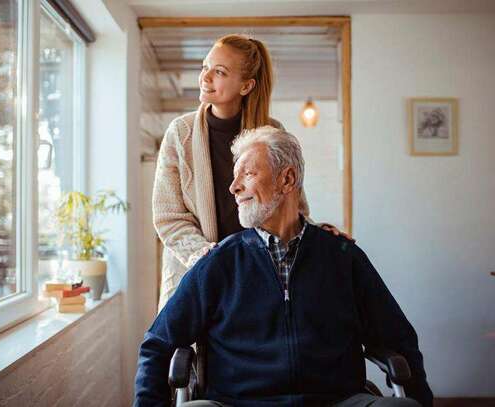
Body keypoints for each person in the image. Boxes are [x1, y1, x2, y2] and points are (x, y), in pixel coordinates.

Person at [136, 126, 433, 407]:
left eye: (248, 174)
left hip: (337, 401)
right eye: (235, 176)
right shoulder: (220, 262)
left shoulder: (343, 257)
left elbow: (399, 338)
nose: (234, 187)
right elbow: (158, 343)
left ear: (287, 180)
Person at [153, 34, 348, 310]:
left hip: (259, 282)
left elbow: (293, 208)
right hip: (198, 279)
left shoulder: (274, 133)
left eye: (219, 72)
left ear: (246, 85)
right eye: (204, 67)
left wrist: (319, 233)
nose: (206, 77)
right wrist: (209, 258)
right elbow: (168, 218)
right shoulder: (180, 134)